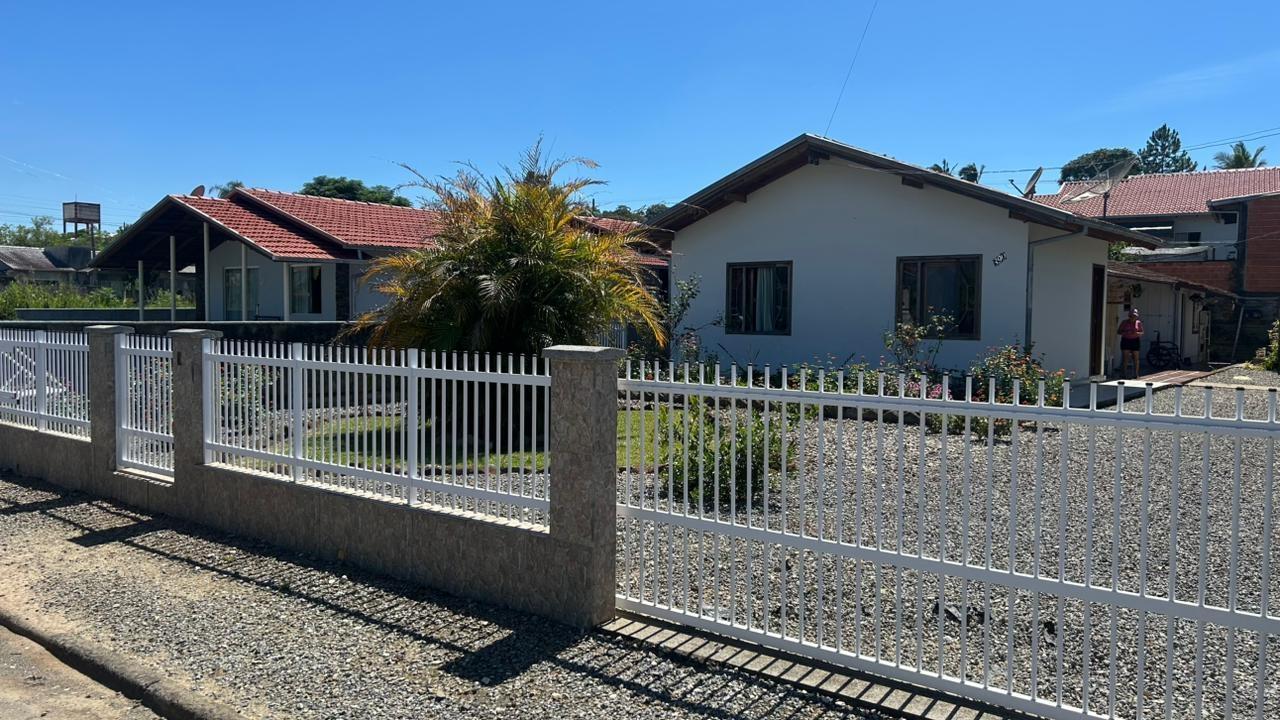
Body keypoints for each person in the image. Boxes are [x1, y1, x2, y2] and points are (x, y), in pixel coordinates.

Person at [1118, 308, 1144, 379]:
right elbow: (1119, 331)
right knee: (1125, 358)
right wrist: (1126, 332)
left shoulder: (1138, 323)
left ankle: (1136, 373)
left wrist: (1136, 333)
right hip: (1126, 340)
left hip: (1135, 340)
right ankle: (1123, 373)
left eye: (1134, 316)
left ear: (1137, 316)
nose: (1133, 317)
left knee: (1136, 358)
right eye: (1131, 316)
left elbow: (1142, 332)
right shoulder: (1124, 322)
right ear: (1129, 316)